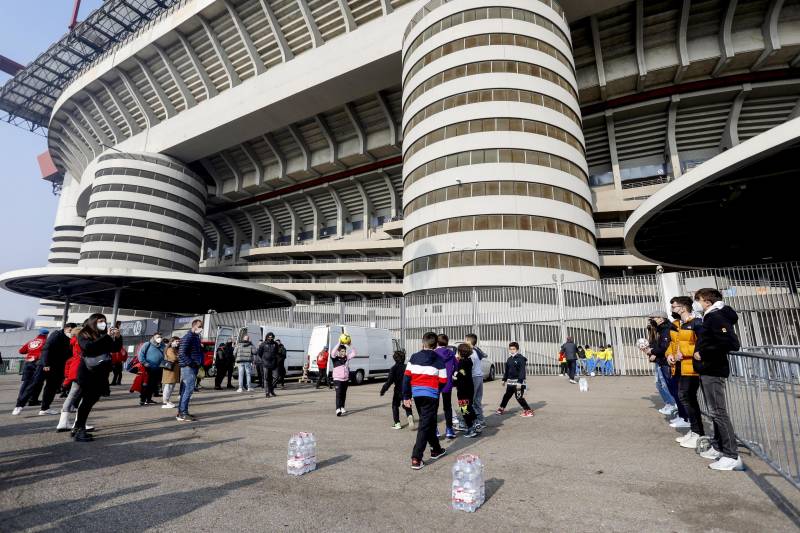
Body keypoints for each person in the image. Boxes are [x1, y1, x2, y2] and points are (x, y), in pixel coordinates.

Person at [693, 288, 743, 470]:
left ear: (706, 301)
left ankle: (731, 455)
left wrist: (702, 352)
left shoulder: (715, 317)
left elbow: (731, 343)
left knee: (718, 412)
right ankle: (722, 449)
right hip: (709, 369)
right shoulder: (712, 316)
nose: (696, 304)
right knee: (715, 412)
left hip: (712, 369)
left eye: (698, 300)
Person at [403, 332, 447, 470]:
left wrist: (406, 396)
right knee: (425, 425)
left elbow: (406, 378)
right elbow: (444, 380)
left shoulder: (414, 357)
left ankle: (436, 449)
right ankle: (416, 457)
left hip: (417, 394)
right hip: (431, 395)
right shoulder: (439, 359)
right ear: (435, 345)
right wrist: (436, 390)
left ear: (422, 343)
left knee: (429, 422)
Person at [74, 314, 122, 441]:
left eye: (104, 321)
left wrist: (118, 337)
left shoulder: (102, 334)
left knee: (92, 400)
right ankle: (79, 429)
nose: (103, 323)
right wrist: (106, 337)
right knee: (87, 401)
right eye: (100, 321)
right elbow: (88, 348)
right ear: (93, 321)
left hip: (101, 373)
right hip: (88, 372)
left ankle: (78, 427)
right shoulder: (84, 333)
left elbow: (115, 348)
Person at [667, 296, 705, 449]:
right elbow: (673, 344)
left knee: (688, 397)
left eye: (674, 307)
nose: (672, 310)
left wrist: (683, 353)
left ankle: (698, 433)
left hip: (692, 367)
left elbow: (701, 344)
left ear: (683, 308)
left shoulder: (696, 322)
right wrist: (669, 354)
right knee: (686, 397)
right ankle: (694, 430)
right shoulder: (680, 324)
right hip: (681, 367)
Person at [646, 310, 687, 427]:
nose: (652, 321)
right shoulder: (660, 329)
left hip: (667, 362)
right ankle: (682, 415)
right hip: (663, 361)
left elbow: (664, 347)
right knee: (669, 387)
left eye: (653, 318)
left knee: (674, 389)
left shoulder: (668, 329)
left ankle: (684, 417)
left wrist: (652, 351)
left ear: (661, 318)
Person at [642, 315, 677, 415]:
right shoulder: (656, 332)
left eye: (653, 320)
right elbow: (655, 346)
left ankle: (673, 405)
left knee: (666, 384)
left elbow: (663, 347)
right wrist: (650, 352)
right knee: (659, 384)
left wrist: (653, 353)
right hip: (660, 361)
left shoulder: (665, 330)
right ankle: (670, 404)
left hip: (665, 361)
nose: (651, 323)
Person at [39, 323, 77, 415]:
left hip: (60, 366)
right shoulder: (57, 335)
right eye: (71, 330)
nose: (71, 333)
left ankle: (45, 408)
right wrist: (46, 363)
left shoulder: (68, 338)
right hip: (51, 365)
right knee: (50, 386)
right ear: (66, 328)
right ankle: (44, 408)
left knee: (53, 387)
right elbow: (46, 348)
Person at [11, 328, 49, 415]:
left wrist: (31, 352)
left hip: (28, 362)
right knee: (37, 382)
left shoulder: (31, 341)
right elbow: (46, 353)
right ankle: (31, 400)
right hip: (38, 363)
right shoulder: (45, 342)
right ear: (47, 334)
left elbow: (21, 351)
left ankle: (20, 400)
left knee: (26, 383)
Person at [57, 326, 84, 432]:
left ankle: (62, 422)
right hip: (82, 370)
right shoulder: (81, 342)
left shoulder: (73, 342)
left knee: (71, 396)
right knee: (84, 397)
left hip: (74, 370)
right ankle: (80, 422)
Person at [496, 342, 534, 417]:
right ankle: (501, 408)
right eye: (510, 349)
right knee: (506, 396)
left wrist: (520, 382)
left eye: (513, 349)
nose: (512, 351)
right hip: (510, 382)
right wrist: (504, 379)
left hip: (518, 383)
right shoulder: (509, 359)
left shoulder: (521, 359)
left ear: (517, 349)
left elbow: (522, 371)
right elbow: (507, 370)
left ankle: (528, 411)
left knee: (519, 397)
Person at [177, 319, 204, 422]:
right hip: (188, 367)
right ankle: (182, 413)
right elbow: (181, 353)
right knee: (188, 390)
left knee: (186, 390)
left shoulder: (195, 337)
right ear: (195, 327)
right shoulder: (188, 337)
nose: (201, 329)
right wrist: (191, 363)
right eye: (200, 326)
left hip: (193, 366)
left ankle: (183, 412)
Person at [380, 350, 414, 430]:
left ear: (394, 359)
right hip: (407, 389)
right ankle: (409, 415)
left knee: (395, 405)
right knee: (407, 404)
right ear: (404, 358)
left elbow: (389, 382)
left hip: (398, 390)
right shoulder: (407, 367)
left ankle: (397, 423)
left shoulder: (393, 368)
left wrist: (383, 390)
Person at [453, 343, 479, 438]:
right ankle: (476, 423)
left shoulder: (462, 363)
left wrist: (455, 375)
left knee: (464, 409)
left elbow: (461, 374)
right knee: (469, 406)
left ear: (460, 352)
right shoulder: (469, 360)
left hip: (463, 389)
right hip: (469, 387)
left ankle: (471, 428)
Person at [434, 334, 457, 439]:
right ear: (447, 342)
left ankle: (435, 430)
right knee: (447, 407)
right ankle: (449, 429)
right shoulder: (451, 353)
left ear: (437, 342)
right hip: (447, 383)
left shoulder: (433, 353)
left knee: (434, 407)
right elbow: (456, 367)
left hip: (435, 383)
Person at [464, 333, 485, 430]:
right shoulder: (476, 350)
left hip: (474, 378)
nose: (464, 341)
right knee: (477, 401)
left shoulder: (470, 352)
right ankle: (481, 420)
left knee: (470, 401)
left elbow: (468, 367)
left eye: (465, 340)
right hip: (479, 377)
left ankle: (472, 421)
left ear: (468, 341)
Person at [138, 332, 165, 406]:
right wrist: (144, 363)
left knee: (153, 385)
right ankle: (142, 400)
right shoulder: (147, 344)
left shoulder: (162, 345)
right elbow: (140, 354)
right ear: (153, 337)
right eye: (157, 337)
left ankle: (149, 399)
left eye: (160, 337)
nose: (159, 338)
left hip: (158, 368)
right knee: (146, 385)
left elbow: (164, 355)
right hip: (148, 368)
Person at [332, 341, 356, 415]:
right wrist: (339, 343)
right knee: (338, 394)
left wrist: (350, 345)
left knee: (343, 394)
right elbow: (333, 352)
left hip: (345, 379)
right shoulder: (335, 358)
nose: (343, 352)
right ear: (338, 351)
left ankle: (342, 407)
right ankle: (337, 409)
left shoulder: (347, 358)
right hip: (337, 379)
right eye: (342, 351)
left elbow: (354, 353)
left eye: (344, 351)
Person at [161, 336, 181, 408]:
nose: (178, 343)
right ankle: (165, 402)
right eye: (176, 341)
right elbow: (174, 358)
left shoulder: (175, 349)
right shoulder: (169, 349)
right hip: (170, 370)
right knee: (168, 386)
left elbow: (177, 357)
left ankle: (167, 400)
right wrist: (179, 357)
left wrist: (178, 356)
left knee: (171, 386)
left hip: (174, 370)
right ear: (172, 342)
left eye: (178, 341)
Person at [258, 332, 279, 397]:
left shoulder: (275, 344)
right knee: (266, 378)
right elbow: (260, 353)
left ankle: (271, 389)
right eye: (269, 337)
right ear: (267, 337)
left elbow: (277, 352)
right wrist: (264, 358)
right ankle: (267, 392)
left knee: (276, 377)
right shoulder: (263, 344)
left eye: (271, 337)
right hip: (265, 363)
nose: (270, 338)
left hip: (274, 363)